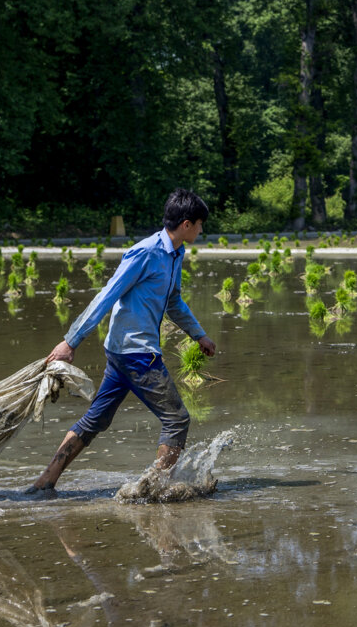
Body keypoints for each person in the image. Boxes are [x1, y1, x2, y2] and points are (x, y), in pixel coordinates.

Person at [26, 188, 217, 493]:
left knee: (96, 419)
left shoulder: (176, 253)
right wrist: (70, 342)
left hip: (122, 353)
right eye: (199, 224)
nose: (202, 229)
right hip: (136, 354)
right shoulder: (145, 252)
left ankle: (45, 481)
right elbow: (107, 295)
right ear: (186, 224)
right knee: (177, 419)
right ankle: (154, 488)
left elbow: (173, 302)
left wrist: (199, 335)